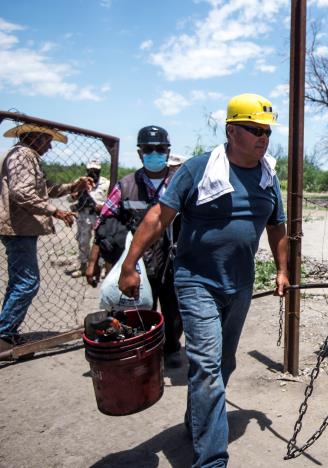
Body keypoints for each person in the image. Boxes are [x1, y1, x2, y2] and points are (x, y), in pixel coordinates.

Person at [117, 93, 288, 467]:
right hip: (196, 282)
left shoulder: (267, 176)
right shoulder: (198, 170)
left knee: (224, 364)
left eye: (266, 131)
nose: (263, 137)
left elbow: (277, 226)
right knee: (207, 367)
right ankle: (211, 459)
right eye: (254, 130)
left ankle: (197, 422)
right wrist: (130, 265)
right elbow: (157, 218)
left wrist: (281, 269)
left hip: (239, 285)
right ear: (231, 131)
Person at [86, 126, 183, 358]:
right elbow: (104, 224)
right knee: (139, 310)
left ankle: (171, 348)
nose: (154, 153)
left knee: (174, 309)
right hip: (137, 260)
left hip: (173, 260)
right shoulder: (126, 186)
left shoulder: (179, 184)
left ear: (168, 152)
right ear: (140, 153)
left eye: (160, 149)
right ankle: (144, 352)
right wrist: (93, 262)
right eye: (148, 149)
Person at [0, 124, 92, 352]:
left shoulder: (27, 156)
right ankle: (3, 335)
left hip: (22, 228)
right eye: (47, 140)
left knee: (20, 281)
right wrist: (55, 211)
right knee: (27, 282)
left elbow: (47, 189)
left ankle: (6, 332)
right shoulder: (22, 156)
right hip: (18, 228)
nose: (50, 146)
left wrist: (73, 186)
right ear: (34, 137)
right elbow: (21, 192)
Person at [66, 159, 110, 278]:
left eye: (96, 170)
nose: (93, 173)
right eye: (90, 170)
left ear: (100, 170)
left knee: (101, 242)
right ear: (86, 170)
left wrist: (102, 207)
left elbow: (112, 200)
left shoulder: (106, 183)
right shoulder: (80, 182)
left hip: (99, 216)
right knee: (83, 241)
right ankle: (83, 266)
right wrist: (77, 193)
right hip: (84, 216)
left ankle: (99, 267)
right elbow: (69, 199)